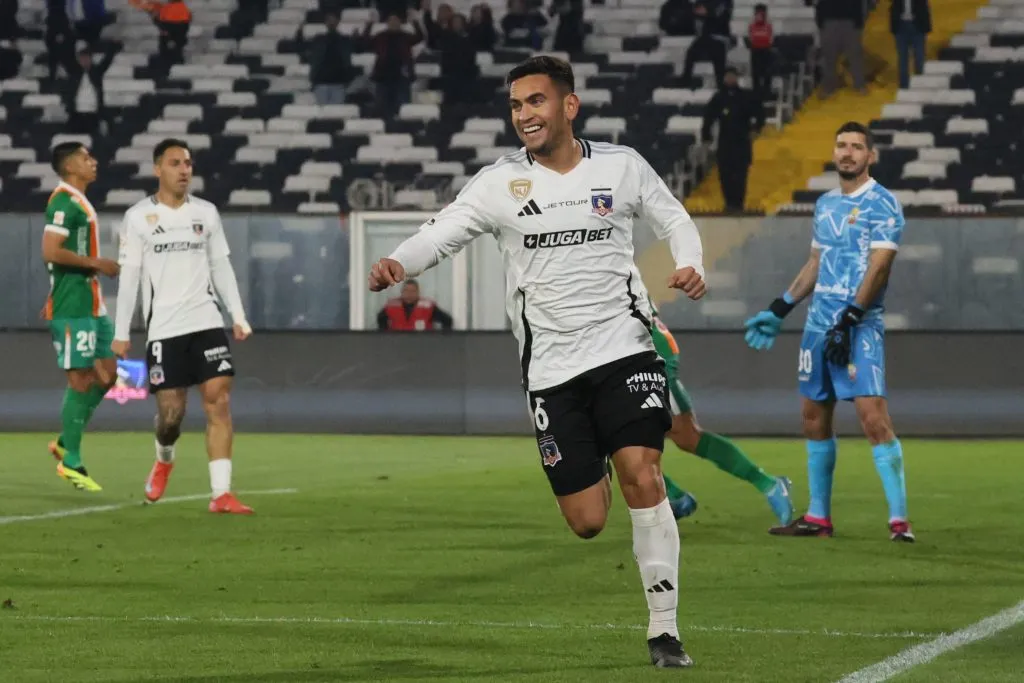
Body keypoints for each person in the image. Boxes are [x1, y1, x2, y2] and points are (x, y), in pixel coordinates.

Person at [368, 56, 706, 668]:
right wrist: (400, 262)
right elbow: (443, 231)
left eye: (536, 101)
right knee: (587, 521)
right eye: (516, 105)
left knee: (644, 472)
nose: (524, 114)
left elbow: (673, 217)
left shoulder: (621, 167)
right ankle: (596, 453)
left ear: (569, 105)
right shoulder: (499, 183)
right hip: (551, 367)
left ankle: (665, 631)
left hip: (624, 347)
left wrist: (690, 263)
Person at [743, 121, 913, 542]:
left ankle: (899, 521)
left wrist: (850, 319)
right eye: (841, 145)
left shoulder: (883, 203)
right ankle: (818, 517)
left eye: (856, 146)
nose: (847, 152)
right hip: (818, 327)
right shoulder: (826, 205)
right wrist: (780, 307)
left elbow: (880, 266)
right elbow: (817, 263)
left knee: (873, 418)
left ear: (870, 155)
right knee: (813, 417)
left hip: (859, 327)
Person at [112, 138, 254, 515]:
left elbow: (221, 266)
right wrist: (121, 332)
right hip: (165, 329)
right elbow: (130, 277)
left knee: (219, 401)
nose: (184, 170)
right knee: (171, 416)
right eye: (175, 163)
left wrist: (237, 315)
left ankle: (221, 494)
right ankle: (164, 457)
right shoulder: (139, 217)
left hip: (206, 322)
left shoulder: (206, 213)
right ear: (158, 169)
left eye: (188, 163)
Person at [648, 299, 794, 525]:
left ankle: (768, 483)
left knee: (687, 436)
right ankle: (674, 496)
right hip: (627, 357)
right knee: (617, 438)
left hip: (648, 359)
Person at [41, 142, 121, 493]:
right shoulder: (63, 202)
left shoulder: (79, 201)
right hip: (72, 305)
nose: (94, 162)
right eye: (86, 158)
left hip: (92, 303)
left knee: (109, 373)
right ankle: (71, 460)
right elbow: (50, 251)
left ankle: (65, 439)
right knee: (81, 379)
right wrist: (96, 263)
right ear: (70, 166)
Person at [701, 67, 763, 213]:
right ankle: (728, 203)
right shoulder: (719, 98)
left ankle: (739, 203)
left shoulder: (745, 96)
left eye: (732, 76)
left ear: (737, 78)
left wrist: (756, 128)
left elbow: (760, 113)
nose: (730, 79)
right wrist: (706, 136)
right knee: (725, 174)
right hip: (725, 142)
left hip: (742, 141)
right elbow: (708, 117)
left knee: (741, 174)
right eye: (727, 76)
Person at [377, 279, 453, 331]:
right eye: (406, 291)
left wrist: (441, 340)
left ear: (418, 292)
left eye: (412, 291)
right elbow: (381, 320)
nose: (409, 294)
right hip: (397, 343)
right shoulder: (391, 305)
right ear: (402, 292)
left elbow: (447, 320)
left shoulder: (428, 307)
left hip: (422, 344)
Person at [890, 0, 931, 90]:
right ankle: (904, 86)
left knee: (919, 57)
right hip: (901, 27)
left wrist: (926, 27)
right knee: (902, 58)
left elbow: (924, 6)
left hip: (917, 26)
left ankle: (920, 85)